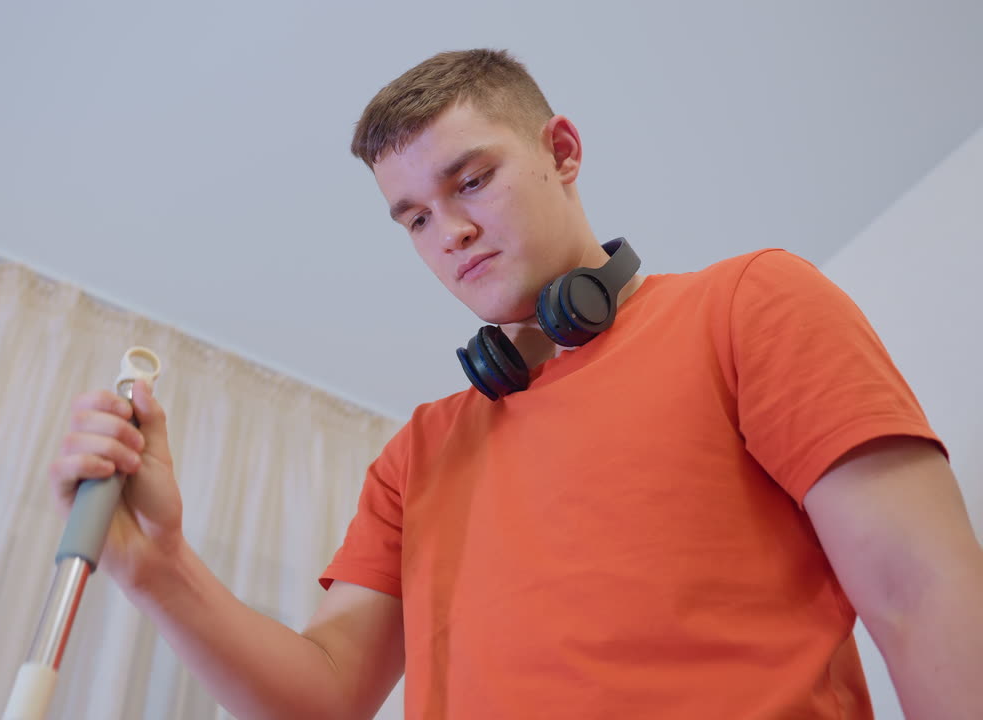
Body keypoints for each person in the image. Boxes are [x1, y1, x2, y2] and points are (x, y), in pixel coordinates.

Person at [48, 49, 983, 719]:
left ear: (563, 151)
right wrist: (156, 564)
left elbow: (920, 590)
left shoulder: (750, 302)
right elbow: (322, 696)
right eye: (413, 216)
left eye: (472, 180)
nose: (447, 231)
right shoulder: (416, 454)